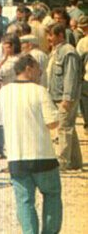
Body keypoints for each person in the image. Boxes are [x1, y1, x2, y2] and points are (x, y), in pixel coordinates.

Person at [0, 55, 62, 234]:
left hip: (17, 156)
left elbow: (0, 121)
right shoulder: (39, 91)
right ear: (29, 68)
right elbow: (52, 123)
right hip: (43, 155)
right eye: (38, 68)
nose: (40, 72)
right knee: (52, 195)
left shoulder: (4, 92)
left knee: (24, 201)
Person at [46, 23, 83, 171]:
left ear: (60, 35)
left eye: (51, 35)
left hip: (65, 97)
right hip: (57, 95)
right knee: (68, 128)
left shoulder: (68, 52)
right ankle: (75, 161)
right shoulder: (56, 51)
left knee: (64, 129)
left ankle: (62, 161)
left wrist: (67, 98)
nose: (48, 38)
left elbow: (71, 76)